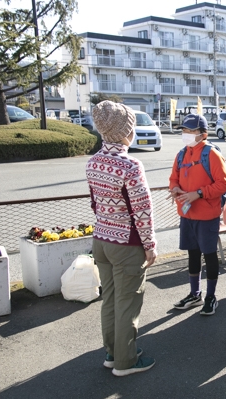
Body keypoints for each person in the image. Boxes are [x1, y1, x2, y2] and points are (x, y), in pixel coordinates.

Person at [86, 100, 158, 376]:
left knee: (111, 300)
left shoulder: (93, 162)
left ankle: (112, 353)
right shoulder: (130, 166)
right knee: (128, 302)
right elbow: (142, 210)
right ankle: (125, 362)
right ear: (126, 132)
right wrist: (149, 245)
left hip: (101, 239)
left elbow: (96, 203)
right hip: (126, 244)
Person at [169, 114, 226, 315]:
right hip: (186, 214)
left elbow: (223, 184)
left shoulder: (211, 153)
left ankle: (211, 296)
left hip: (206, 215)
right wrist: (175, 189)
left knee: (210, 255)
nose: (186, 134)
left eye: (190, 131)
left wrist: (199, 193)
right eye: (184, 131)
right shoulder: (181, 154)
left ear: (203, 134)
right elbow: (173, 179)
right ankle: (195, 294)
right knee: (192, 254)